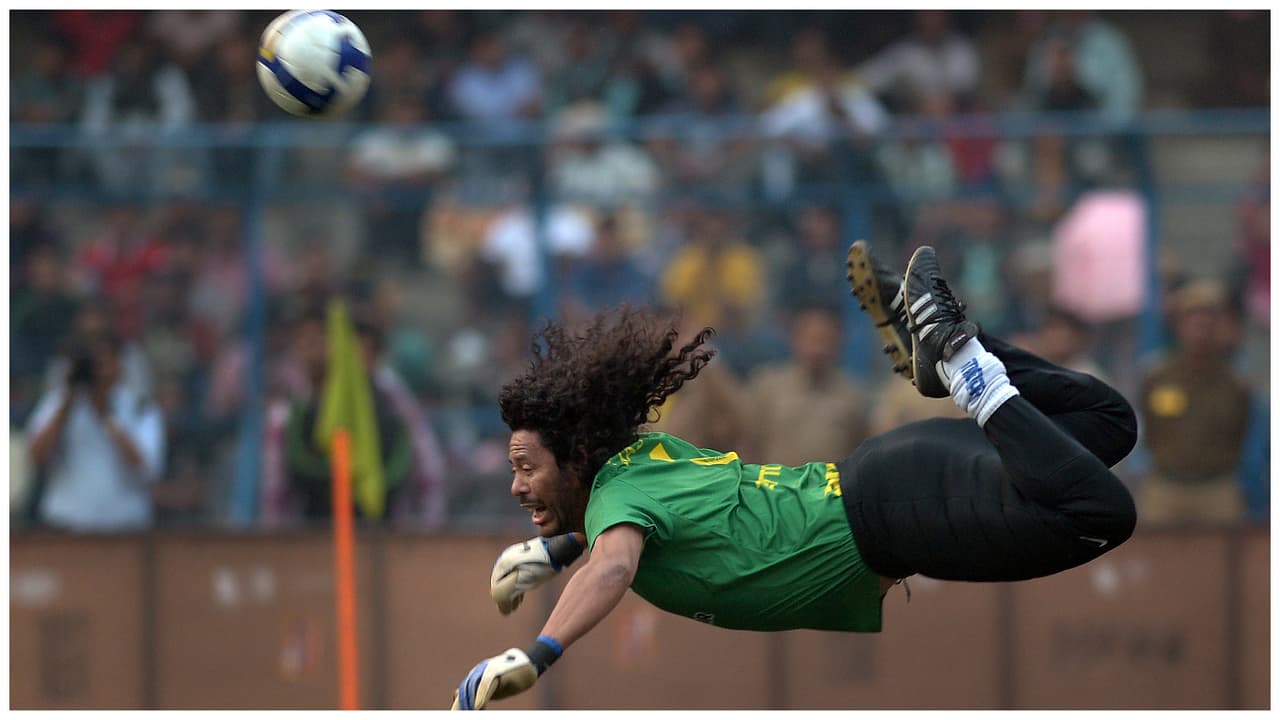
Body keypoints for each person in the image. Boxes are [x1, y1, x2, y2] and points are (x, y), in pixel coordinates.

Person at [450, 242, 1137, 710]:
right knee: (1108, 423)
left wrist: (538, 653)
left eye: (526, 467)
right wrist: (556, 549)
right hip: (894, 473)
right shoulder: (641, 461)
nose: (515, 485)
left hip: (899, 518)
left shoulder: (618, 502)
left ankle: (962, 363)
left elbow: (613, 567)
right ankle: (954, 354)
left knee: (1101, 514)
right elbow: (626, 533)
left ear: (577, 458)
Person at [26, 332, 166, 531]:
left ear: (119, 365)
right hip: (65, 526)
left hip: (126, 527)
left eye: (102, 363)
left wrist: (105, 415)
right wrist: (68, 403)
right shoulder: (57, 404)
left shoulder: (139, 407)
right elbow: (36, 458)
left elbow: (148, 468)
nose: (97, 372)